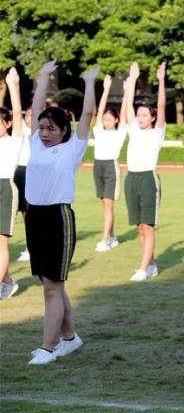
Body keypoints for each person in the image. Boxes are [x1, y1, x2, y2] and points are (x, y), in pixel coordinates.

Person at [27, 62, 99, 365]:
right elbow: (35, 109)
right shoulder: (35, 144)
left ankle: (47, 347)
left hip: (58, 218)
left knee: (51, 288)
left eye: (50, 128)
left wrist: (90, 83)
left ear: (63, 131)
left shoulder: (72, 149)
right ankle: (70, 339)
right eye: (42, 128)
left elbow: (88, 114)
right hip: (34, 217)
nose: (44, 133)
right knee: (50, 283)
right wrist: (42, 78)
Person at [123, 62, 166, 282]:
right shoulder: (133, 129)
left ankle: (142, 268)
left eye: (145, 115)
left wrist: (161, 81)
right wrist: (132, 79)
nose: (140, 118)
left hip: (148, 178)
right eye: (138, 115)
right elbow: (128, 104)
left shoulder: (157, 132)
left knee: (148, 226)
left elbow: (161, 105)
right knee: (140, 227)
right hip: (131, 178)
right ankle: (150, 264)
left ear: (152, 118)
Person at [93, 75, 128, 252]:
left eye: (109, 119)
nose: (106, 122)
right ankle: (113, 236)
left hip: (110, 167)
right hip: (97, 166)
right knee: (104, 203)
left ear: (115, 120)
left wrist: (127, 90)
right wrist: (105, 89)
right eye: (104, 119)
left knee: (108, 203)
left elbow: (124, 114)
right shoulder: (99, 130)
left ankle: (105, 239)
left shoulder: (120, 132)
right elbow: (98, 112)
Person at [0, 68, 23, 299]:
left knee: (1, 243)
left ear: (6, 124)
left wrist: (13, 86)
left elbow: (17, 112)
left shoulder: (14, 141)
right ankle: (7, 281)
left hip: (5, 188)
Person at [14, 108, 32, 263]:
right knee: (18, 211)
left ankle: (31, 248)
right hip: (17, 172)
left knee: (29, 213)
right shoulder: (20, 130)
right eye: (28, 115)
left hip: (32, 172)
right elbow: (17, 110)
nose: (29, 118)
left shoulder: (41, 133)